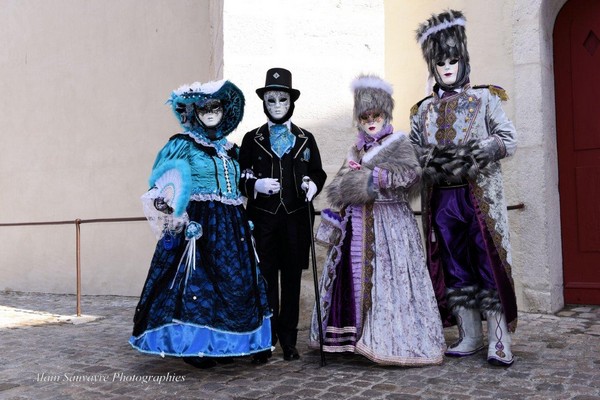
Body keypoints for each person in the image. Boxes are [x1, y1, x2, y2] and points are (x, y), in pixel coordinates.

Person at [130, 79, 272, 368]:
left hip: (232, 224)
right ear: (194, 112)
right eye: (204, 108)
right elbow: (161, 185)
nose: (210, 113)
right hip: (200, 223)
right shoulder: (182, 145)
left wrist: (255, 186)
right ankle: (195, 346)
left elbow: (240, 182)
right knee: (199, 283)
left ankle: (239, 342)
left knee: (237, 282)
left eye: (215, 107)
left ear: (223, 111)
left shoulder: (231, 149)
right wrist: (176, 215)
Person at [308, 74, 445, 366]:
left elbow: (412, 175)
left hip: (391, 222)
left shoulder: (400, 143)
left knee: (388, 279)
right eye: (365, 116)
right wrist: (350, 186)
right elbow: (339, 186)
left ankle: (388, 340)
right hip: (357, 223)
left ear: (385, 114)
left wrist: (374, 177)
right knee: (351, 279)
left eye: (376, 115)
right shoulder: (356, 150)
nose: (371, 121)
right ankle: (351, 338)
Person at [410, 10, 518, 367]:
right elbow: (412, 153)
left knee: (488, 262)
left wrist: (477, 152)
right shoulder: (421, 111)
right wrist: (422, 162)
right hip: (441, 198)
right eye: (441, 62)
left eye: (453, 60)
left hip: (477, 195)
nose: (447, 68)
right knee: (454, 264)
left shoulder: (486, 99)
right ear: (433, 66)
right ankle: (470, 334)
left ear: (463, 60)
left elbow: (508, 139)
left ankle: (499, 340)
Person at [239, 67, 327, 361]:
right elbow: (240, 176)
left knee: (291, 279)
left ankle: (289, 340)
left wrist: (312, 186)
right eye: (271, 100)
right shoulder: (252, 139)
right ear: (264, 102)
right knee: (264, 279)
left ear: (291, 102)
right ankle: (265, 341)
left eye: (282, 100)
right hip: (263, 219)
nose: (277, 105)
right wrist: (255, 184)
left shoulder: (305, 138)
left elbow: (318, 171)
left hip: (295, 218)